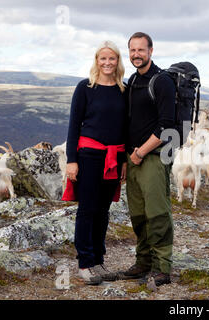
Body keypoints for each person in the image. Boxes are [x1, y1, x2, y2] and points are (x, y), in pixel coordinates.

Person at [63, 40, 128, 285]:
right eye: (103, 58)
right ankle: (85, 264)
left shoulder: (124, 89)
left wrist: (123, 161)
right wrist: (72, 161)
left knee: (103, 211)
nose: (107, 63)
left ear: (118, 61)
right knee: (87, 209)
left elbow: (125, 129)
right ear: (97, 61)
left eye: (112, 58)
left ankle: (99, 259)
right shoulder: (85, 88)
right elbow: (73, 126)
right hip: (88, 157)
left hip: (113, 158)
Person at [114, 32, 176, 287]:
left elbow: (166, 126)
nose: (136, 54)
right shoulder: (133, 81)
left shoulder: (162, 81)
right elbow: (130, 123)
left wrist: (140, 153)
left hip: (153, 157)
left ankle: (163, 267)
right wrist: (128, 158)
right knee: (138, 214)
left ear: (151, 51)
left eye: (141, 50)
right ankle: (143, 262)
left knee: (157, 213)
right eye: (132, 50)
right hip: (134, 158)